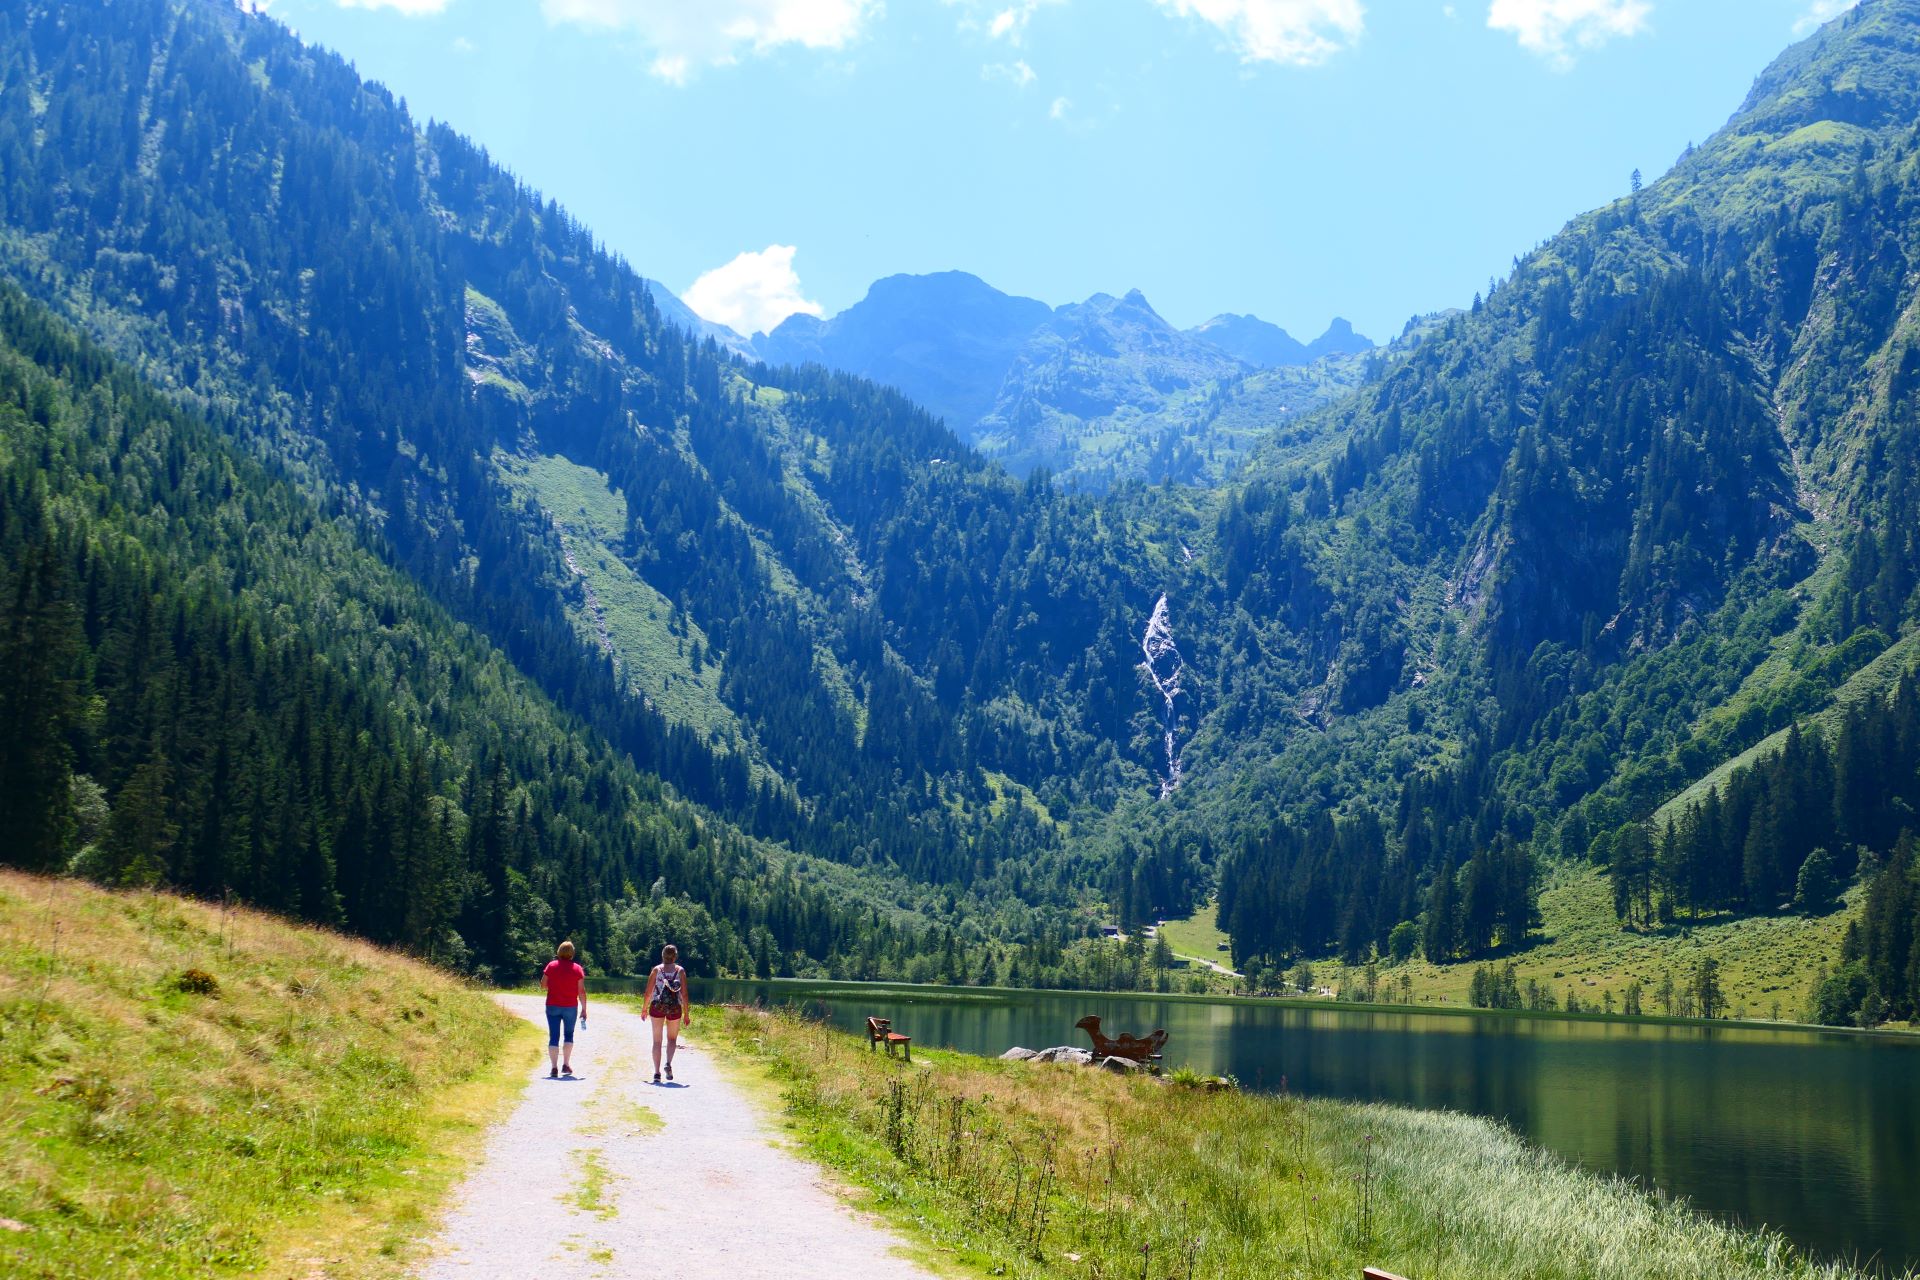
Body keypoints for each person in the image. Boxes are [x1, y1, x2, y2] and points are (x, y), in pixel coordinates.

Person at [642, 943, 689, 1083]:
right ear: (675, 956)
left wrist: (644, 1009)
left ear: (663, 955)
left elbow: (648, 993)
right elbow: (685, 994)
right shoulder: (680, 971)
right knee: (672, 1039)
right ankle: (668, 1063)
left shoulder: (656, 970)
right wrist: (686, 1014)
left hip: (657, 1006)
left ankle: (656, 1073)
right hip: (674, 1008)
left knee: (657, 1041)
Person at [541, 940, 587, 1079]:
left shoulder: (551, 966)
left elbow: (543, 985)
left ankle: (554, 1068)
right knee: (569, 1035)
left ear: (559, 951)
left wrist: (555, 987)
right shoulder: (577, 969)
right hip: (570, 1007)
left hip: (552, 1005)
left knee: (553, 1036)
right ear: (572, 953)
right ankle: (566, 1064)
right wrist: (584, 1009)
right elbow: (581, 991)